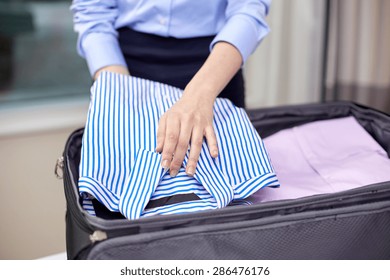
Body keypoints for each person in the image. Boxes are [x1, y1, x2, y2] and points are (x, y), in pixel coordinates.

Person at [71, 0, 271, 178]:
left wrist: (201, 94)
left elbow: (248, 9)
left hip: (214, 68)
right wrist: (121, 93)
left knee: (224, 196)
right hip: (121, 66)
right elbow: (93, 11)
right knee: (121, 188)